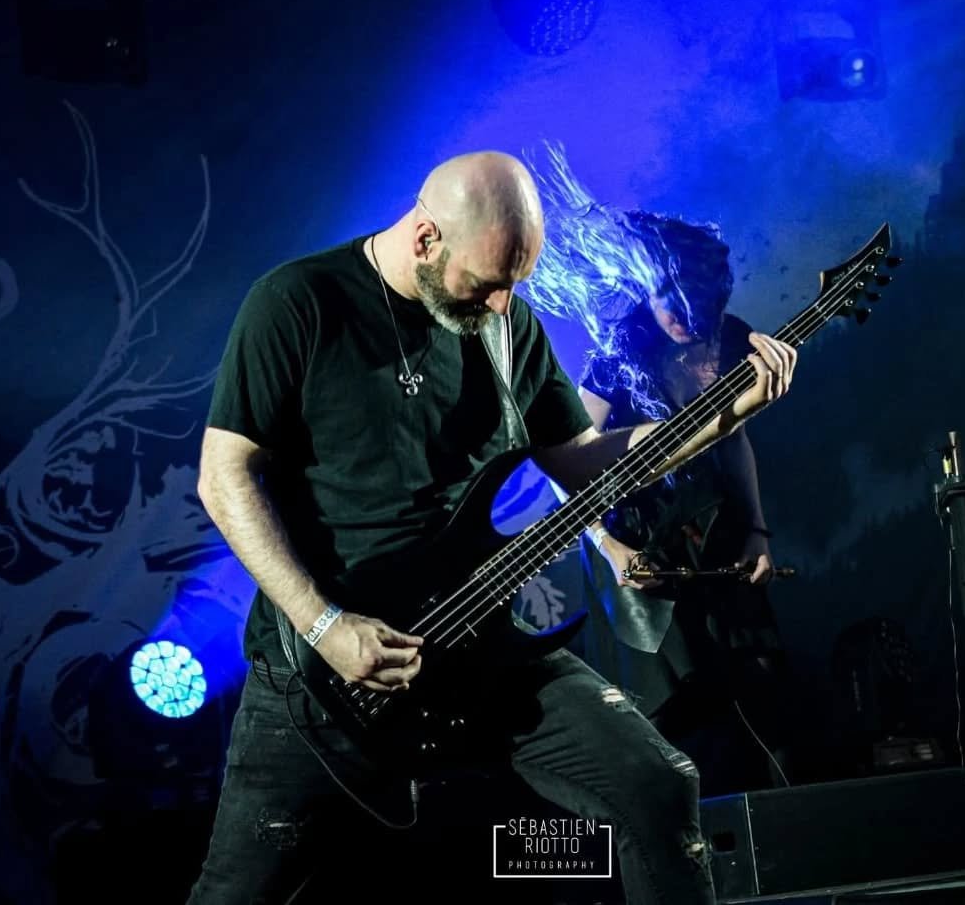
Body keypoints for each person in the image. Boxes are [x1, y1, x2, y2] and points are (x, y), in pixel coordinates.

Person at [188, 150, 798, 904]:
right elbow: (223, 477)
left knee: (658, 784)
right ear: (424, 239)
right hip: (325, 672)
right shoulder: (299, 303)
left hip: (480, 646)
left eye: (517, 283)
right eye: (486, 285)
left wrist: (718, 417)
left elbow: (585, 462)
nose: (504, 304)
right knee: (239, 893)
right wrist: (323, 624)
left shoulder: (507, 324)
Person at [521, 145, 796, 799]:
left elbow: (735, 442)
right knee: (668, 711)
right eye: (665, 299)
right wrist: (609, 546)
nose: (677, 317)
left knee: (758, 690)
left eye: (690, 304)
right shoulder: (623, 346)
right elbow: (570, 466)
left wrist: (755, 529)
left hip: (717, 537)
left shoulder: (731, 337)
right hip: (640, 549)